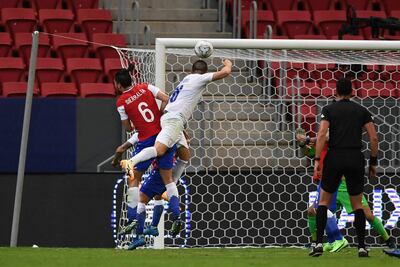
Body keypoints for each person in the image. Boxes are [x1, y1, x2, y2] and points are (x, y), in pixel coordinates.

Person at [121, 59, 232, 173]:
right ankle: (131, 162)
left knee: (184, 157)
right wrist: (228, 64)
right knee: (159, 150)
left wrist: (181, 128)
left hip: (171, 118)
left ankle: (171, 186)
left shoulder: (186, 79)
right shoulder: (199, 78)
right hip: (174, 120)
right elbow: (225, 72)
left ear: (191, 70)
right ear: (205, 72)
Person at [115, 65, 189, 235]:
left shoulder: (121, 102)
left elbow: (127, 128)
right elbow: (166, 98)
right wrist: (161, 112)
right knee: (168, 180)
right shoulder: (145, 87)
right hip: (164, 135)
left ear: (118, 85)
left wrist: (135, 122)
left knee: (133, 179)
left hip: (146, 140)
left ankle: (132, 218)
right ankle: (176, 217)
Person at [311, 78, 378, 257]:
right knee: (357, 205)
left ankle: (318, 244)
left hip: (335, 157)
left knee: (323, 202)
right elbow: (373, 138)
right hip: (355, 157)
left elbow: (322, 134)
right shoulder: (362, 111)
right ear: (352, 92)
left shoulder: (329, 110)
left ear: (336, 92)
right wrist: (373, 162)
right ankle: (362, 247)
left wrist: (317, 160)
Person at [297, 132, 396, 254]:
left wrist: (308, 139)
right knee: (312, 211)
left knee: (368, 215)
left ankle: (388, 240)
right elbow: (308, 153)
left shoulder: (335, 138)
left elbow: (328, 136)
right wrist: (302, 144)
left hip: (344, 185)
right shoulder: (320, 145)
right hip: (328, 184)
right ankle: (315, 242)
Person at [112, 132, 190, 235]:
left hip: (160, 170)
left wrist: (116, 160)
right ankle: (157, 224)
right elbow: (186, 143)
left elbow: (121, 148)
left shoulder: (147, 134)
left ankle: (137, 234)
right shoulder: (174, 132)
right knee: (159, 194)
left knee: (140, 198)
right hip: (174, 166)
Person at [128, 146, 181, 250]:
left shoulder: (159, 135)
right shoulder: (177, 136)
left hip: (160, 169)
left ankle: (139, 237)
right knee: (158, 195)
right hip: (172, 167)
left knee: (141, 200)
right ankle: (155, 226)